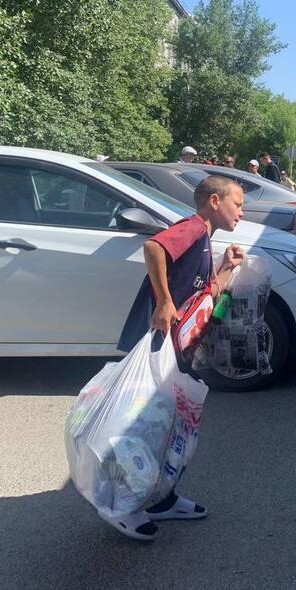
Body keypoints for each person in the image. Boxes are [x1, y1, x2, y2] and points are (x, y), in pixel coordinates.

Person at [114, 175, 246, 541]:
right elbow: (154, 248)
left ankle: (161, 499)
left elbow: (206, 292)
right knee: (142, 429)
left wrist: (226, 266)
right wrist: (164, 301)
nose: (242, 213)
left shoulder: (205, 238)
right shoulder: (191, 227)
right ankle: (125, 505)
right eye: (238, 205)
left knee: (169, 428)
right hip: (157, 345)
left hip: (175, 351)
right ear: (215, 202)